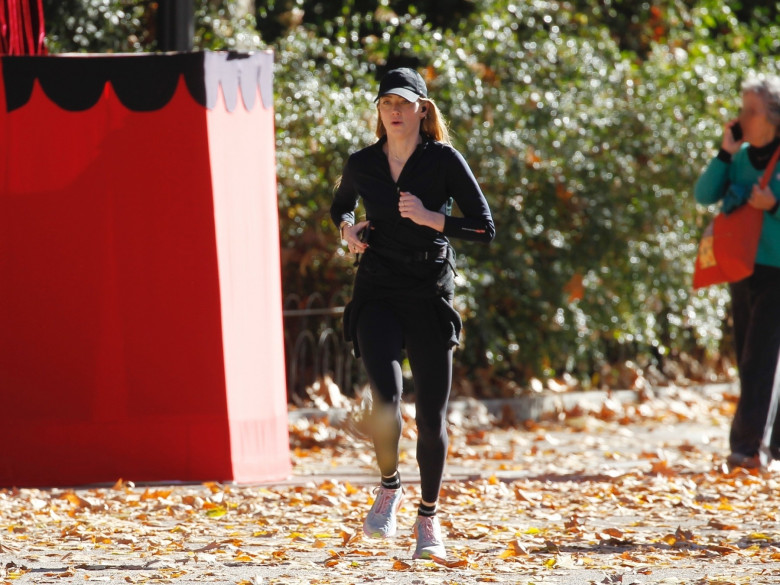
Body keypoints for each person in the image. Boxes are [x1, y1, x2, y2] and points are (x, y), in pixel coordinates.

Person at [330, 67, 494, 559]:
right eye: (386, 104)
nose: (395, 111)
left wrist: (430, 217)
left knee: (432, 415)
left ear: (423, 109)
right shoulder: (362, 162)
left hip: (428, 291)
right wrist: (347, 230)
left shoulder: (443, 160)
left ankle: (428, 518)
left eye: (404, 103)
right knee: (386, 400)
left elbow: (485, 228)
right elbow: (339, 207)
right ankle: (389, 486)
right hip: (378, 287)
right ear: (379, 111)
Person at [694, 73, 780, 469]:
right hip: (742, 266)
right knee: (750, 353)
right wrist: (725, 152)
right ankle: (771, 444)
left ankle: (747, 448)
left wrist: (774, 206)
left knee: (759, 356)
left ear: (774, 117)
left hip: (777, 268)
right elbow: (703, 194)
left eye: (751, 111)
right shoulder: (741, 156)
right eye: (741, 110)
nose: (742, 118)